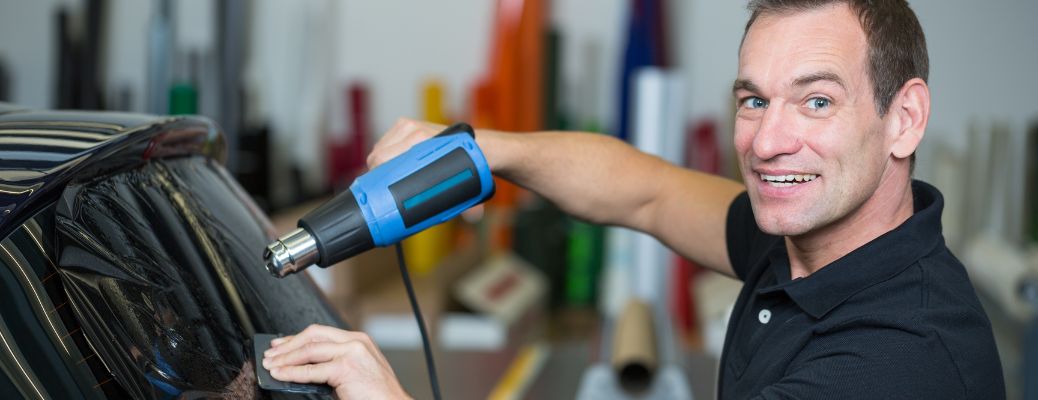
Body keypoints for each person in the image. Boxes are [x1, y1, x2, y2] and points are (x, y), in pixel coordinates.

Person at [262, 0, 1006, 398]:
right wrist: (489, 151)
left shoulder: (897, 363)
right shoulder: (811, 245)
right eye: (753, 100)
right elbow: (644, 192)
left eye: (816, 102)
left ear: (904, 118)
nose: (768, 141)